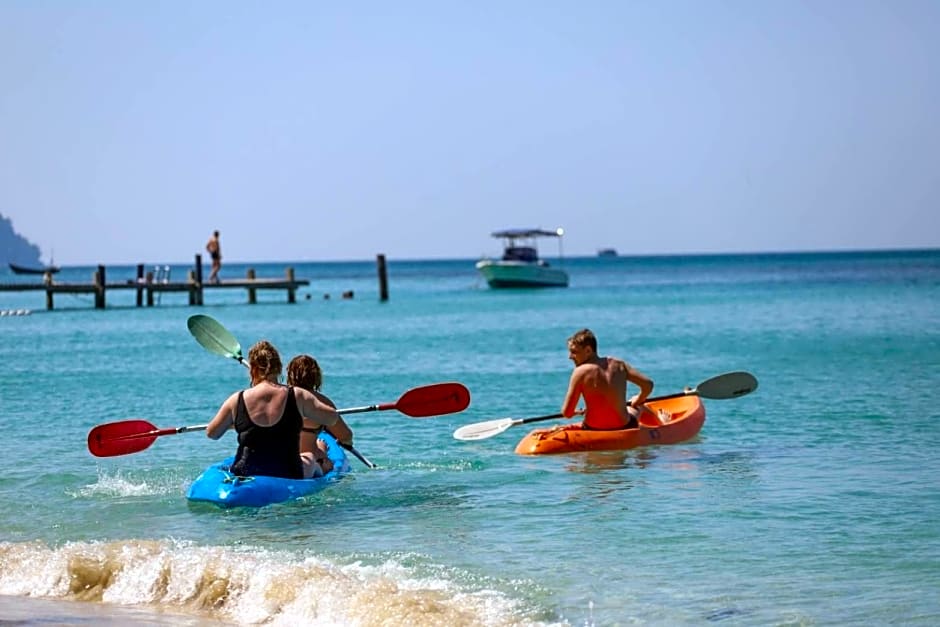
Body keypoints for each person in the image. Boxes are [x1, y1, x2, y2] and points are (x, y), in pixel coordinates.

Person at [205, 340, 346, 479]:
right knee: (309, 457)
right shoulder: (297, 395)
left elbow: (212, 433)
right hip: (288, 473)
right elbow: (332, 418)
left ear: (252, 370)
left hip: (245, 470)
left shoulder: (236, 399)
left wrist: (238, 423)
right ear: (278, 368)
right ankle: (322, 474)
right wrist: (303, 410)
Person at [561, 328, 664, 430]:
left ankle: (661, 424)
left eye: (574, 352)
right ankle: (662, 424)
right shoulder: (619, 365)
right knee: (639, 405)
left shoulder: (579, 372)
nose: (570, 357)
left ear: (588, 350)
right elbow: (648, 385)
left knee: (635, 403)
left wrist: (578, 412)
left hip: (593, 428)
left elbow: (567, 413)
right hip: (624, 426)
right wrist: (638, 400)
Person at [287, 353, 354, 478]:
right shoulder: (321, 402)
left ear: (290, 375)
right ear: (316, 376)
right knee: (322, 450)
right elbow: (345, 435)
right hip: (313, 461)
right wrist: (343, 443)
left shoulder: (279, 398)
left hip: (283, 460)